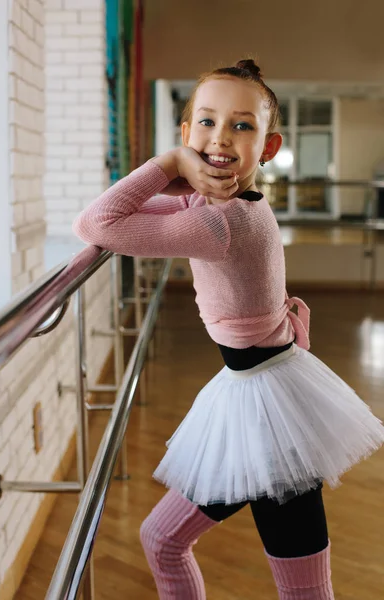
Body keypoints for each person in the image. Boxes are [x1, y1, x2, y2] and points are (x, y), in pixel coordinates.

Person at [72, 59, 384, 599]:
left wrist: (169, 160)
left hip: (270, 416)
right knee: (172, 542)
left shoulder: (220, 220)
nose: (221, 138)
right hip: (259, 396)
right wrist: (181, 171)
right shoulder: (220, 202)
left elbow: (96, 223)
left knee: (299, 588)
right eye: (207, 123)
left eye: (242, 125)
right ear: (189, 130)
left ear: (267, 146)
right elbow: (134, 210)